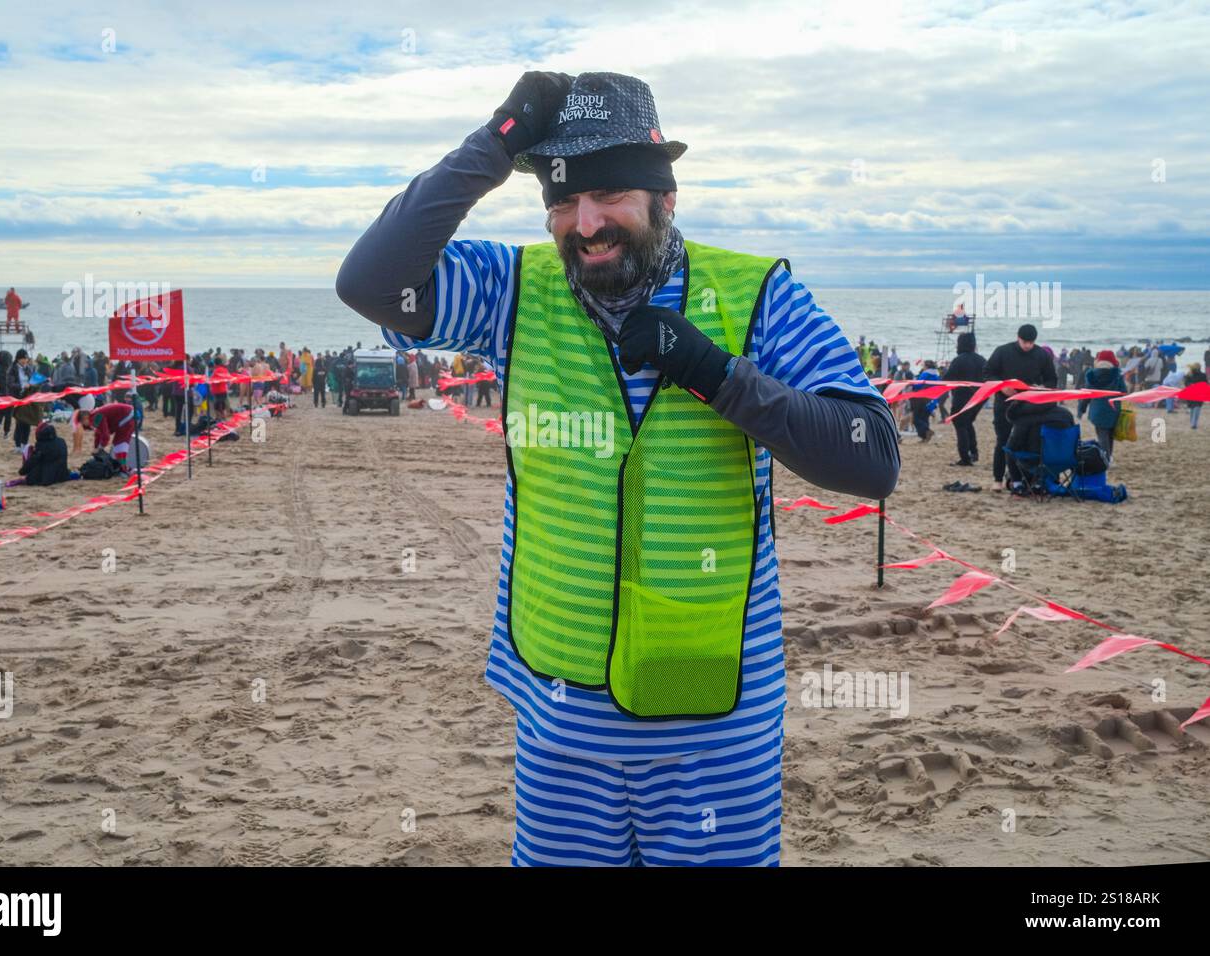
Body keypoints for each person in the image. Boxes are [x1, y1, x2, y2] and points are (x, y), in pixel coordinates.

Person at [337, 71, 900, 867]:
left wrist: (713, 370)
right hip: (559, 717)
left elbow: (871, 456)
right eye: (561, 201)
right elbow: (369, 283)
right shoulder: (515, 289)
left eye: (609, 194)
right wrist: (496, 141)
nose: (585, 223)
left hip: (712, 722)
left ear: (664, 198)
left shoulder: (755, 295)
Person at [983, 323, 1057, 490]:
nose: (1027, 346)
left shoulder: (1041, 355)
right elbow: (987, 372)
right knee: (1002, 440)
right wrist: (1001, 386)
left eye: (1031, 343)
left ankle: (1023, 478)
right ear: (1018, 338)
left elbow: (1052, 379)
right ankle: (997, 479)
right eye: (1025, 342)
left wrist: (1044, 388)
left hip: (1030, 407)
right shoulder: (1002, 351)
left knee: (1028, 441)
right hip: (1005, 404)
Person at [1005, 401, 1075, 494]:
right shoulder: (1066, 414)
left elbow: (1013, 445)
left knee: (1009, 451)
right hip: (1064, 459)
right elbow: (1074, 438)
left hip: (1036, 460)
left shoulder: (1025, 416)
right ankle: (1039, 483)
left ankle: (1017, 485)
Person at [943, 332, 986, 466]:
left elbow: (947, 379)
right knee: (968, 423)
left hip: (962, 397)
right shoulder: (982, 360)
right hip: (979, 398)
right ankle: (974, 452)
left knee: (960, 424)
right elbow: (989, 377)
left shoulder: (959, 360)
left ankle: (965, 458)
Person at [1077, 349, 1125, 461]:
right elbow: (1123, 391)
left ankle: (1106, 459)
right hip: (1113, 409)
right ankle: (1108, 458)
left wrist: (1081, 409)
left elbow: (1087, 395)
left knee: (1102, 435)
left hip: (1097, 411)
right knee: (1110, 435)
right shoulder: (1117, 374)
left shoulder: (1091, 375)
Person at [79, 402, 137, 474]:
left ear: (84, 419)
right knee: (118, 444)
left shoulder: (95, 417)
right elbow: (98, 433)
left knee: (120, 444)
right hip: (128, 414)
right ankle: (123, 467)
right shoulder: (94, 415)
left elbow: (105, 436)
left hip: (128, 416)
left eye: (82, 423)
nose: (83, 425)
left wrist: (100, 448)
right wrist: (96, 447)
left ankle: (124, 468)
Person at [910, 359, 940, 442]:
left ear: (926, 366)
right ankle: (925, 437)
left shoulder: (925, 373)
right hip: (932, 399)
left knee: (916, 419)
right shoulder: (937, 375)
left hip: (921, 399)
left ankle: (927, 431)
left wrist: (912, 384)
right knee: (925, 418)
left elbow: (918, 385)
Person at [1184, 363, 1206, 429]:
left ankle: (1193, 424)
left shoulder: (1189, 374)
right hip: (1196, 395)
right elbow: (1186, 383)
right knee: (1195, 409)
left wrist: (1191, 385)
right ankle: (1193, 423)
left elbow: (1186, 383)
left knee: (1194, 409)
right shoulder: (1190, 375)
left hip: (1193, 394)